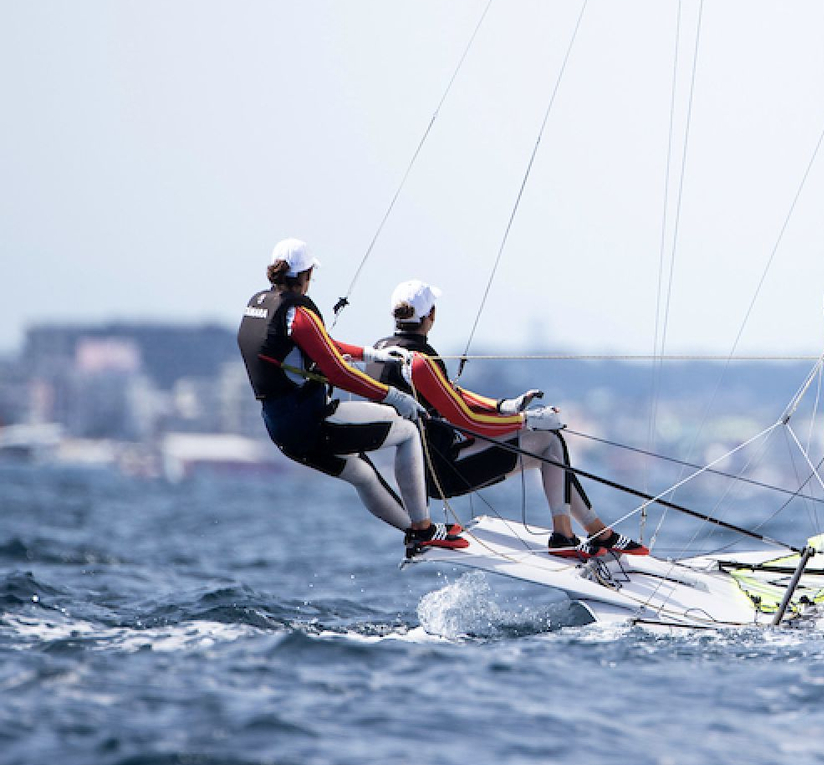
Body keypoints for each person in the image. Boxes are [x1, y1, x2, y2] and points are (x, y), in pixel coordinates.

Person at [366, 279, 647, 560]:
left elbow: (449, 395)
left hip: (414, 473)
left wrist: (504, 406)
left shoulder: (380, 351)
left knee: (545, 447)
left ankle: (598, 533)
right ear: (432, 315)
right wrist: (526, 421)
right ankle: (567, 536)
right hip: (444, 471)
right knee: (548, 440)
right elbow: (465, 417)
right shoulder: (421, 359)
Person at [237, 239, 467, 557]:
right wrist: (394, 396)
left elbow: (323, 345)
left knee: (362, 474)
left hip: (280, 430)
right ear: (306, 274)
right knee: (407, 431)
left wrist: (373, 354)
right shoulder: (297, 314)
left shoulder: (260, 304)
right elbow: (337, 371)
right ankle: (424, 528)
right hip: (311, 423)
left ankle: (416, 536)